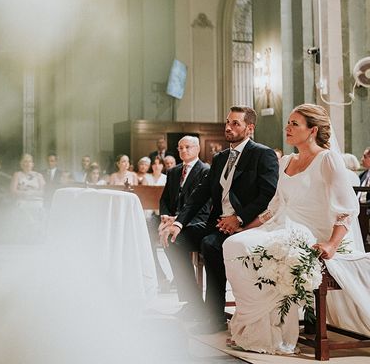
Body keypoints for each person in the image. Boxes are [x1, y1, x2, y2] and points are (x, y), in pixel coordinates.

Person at [223, 104, 370, 354]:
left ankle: (267, 329)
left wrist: (332, 245)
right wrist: (244, 227)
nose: (287, 128)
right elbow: (273, 207)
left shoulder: (327, 159)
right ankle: (256, 326)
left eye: (294, 124)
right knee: (234, 244)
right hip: (279, 226)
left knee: (244, 247)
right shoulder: (287, 161)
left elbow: (346, 209)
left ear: (312, 130)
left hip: (310, 233)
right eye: (288, 122)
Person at [160, 106, 279, 334]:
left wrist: (239, 218)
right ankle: (194, 304)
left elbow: (268, 195)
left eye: (235, 123)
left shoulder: (262, 154)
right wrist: (178, 223)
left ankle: (215, 317)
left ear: (250, 128)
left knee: (210, 244)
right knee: (174, 240)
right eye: (227, 122)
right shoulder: (220, 158)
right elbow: (199, 195)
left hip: (247, 225)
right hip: (217, 223)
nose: (228, 127)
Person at [158, 136, 210, 311]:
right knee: (149, 233)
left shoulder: (205, 170)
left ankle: (192, 301)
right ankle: (159, 277)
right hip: (173, 220)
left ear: (197, 149)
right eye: (180, 148)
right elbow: (165, 198)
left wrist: (179, 220)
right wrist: (165, 215)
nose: (183, 151)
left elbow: (203, 204)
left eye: (187, 147)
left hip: (196, 221)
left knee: (173, 240)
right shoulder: (173, 172)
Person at [10, 153, 46, 227]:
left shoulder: (39, 175)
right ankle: (32, 226)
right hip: (23, 202)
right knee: (23, 212)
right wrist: (24, 193)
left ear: (32, 164)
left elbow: (43, 192)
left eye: (29, 161)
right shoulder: (17, 175)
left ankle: (35, 227)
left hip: (36, 202)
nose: (27, 164)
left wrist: (32, 193)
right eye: (25, 161)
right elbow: (13, 191)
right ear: (21, 164)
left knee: (41, 212)